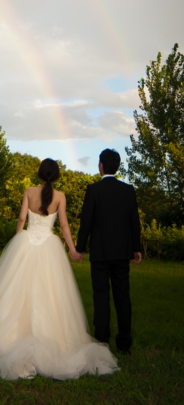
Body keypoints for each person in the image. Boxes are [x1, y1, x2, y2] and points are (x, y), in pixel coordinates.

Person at [0, 158, 118, 380]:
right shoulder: (60, 197)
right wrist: (73, 250)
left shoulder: (29, 191)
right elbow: (65, 226)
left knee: (16, 291)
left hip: (27, 243)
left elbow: (22, 218)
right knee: (50, 293)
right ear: (56, 175)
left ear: (40, 174)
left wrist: (18, 242)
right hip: (50, 245)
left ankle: (12, 333)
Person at [76, 149, 142, 354]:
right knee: (123, 296)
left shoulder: (93, 190)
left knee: (101, 295)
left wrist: (79, 248)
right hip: (122, 252)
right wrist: (136, 248)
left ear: (101, 166)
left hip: (100, 252)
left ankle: (102, 341)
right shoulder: (128, 190)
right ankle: (124, 343)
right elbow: (134, 222)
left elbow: (86, 222)